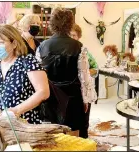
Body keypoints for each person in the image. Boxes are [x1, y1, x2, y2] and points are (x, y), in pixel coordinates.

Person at [37, 8, 96, 138]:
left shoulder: (42, 46)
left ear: (52, 24)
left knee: (52, 136)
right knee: (73, 133)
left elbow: (39, 76)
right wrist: (86, 99)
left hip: (50, 95)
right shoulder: (79, 46)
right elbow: (84, 76)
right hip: (73, 96)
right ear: (70, 24)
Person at [0, 24, 50, 124]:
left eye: (1, 42)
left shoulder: (28, 62)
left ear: (14, 43)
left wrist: (16, 110)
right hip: (0, 129)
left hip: (26, 126)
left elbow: (43, 92)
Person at [70, 23, 98, 138]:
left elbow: (95, 69)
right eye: (69, 35)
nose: (72, 38)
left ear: (78, 37)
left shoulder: (84, 51)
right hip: (72, 91)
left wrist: (84, 72)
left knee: (84, 121)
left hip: (85, 90)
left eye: (74, 35)